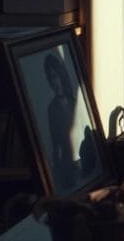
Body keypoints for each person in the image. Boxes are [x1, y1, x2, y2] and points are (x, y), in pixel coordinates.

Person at [44, 52, 77, 191]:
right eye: (50, 78)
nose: (54, 82)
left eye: (55, 76)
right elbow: (55, 145)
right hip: (67, 164)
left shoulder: (74, 101)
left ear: (60, 75)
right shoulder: (52, 109)